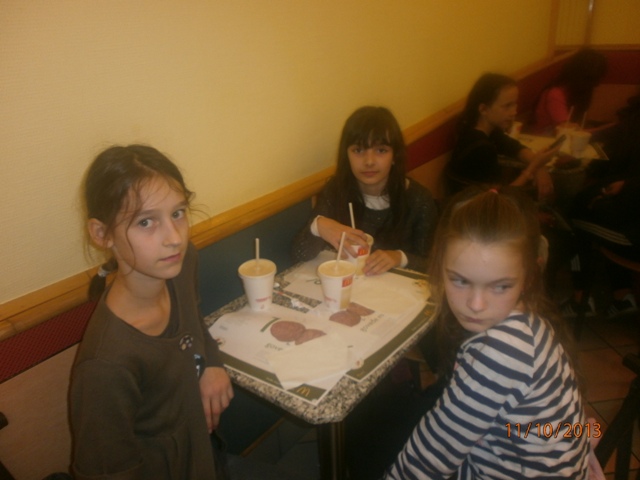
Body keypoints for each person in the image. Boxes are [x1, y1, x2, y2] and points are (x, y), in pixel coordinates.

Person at [385, 186, 589, 479]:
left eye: (500, 286)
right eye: (460, 281)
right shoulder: (528, 322)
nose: (476, 304)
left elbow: (435, 452)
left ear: (528, 278)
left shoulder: (501, 351)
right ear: (440, 267)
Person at [69, 145, 233, 479]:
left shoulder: (180, 265)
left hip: (205, 455)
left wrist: (211, 363)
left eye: (178, 213)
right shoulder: (105, 365)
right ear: (102, 234)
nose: (174, 238)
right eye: (146, 222)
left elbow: (193, 319)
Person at [291, 106, 438, 274]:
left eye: (381, 150)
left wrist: (400, 257)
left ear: (394, 156)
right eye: (358, 150)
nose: (369, 161)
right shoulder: (336, 190)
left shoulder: (418, 199)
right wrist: (318, 226)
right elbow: (298, 255)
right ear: (346, 155)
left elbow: (433, 265)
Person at [561, 93, 640, 318]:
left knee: (572, 220)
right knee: (598, 213)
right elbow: (612, 132)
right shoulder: (633, 122)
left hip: (634, 236)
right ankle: (622, 297)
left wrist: (627, 185)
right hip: (629, 216)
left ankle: (581, 302)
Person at [446, 73, 561, 202]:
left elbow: (513, 147)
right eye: (507, 106)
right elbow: (498, 199)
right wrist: (532, 168)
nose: (514, 112)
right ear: (483, 109)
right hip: (478, 209)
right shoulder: (481, 148)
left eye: (514, 104)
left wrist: (539, 166)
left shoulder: (479, 129)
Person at [530, 48, 608, 136]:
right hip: (545, 138)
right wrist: (605, 130)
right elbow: (566, 130)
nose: (597, 84)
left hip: (560, 136)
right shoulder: (555, 94)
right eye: (594, 80)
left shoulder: (575, 93)